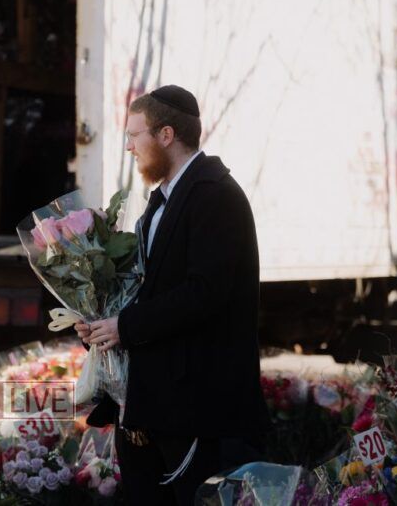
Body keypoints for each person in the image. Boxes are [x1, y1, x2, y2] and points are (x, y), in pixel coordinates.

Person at [75, 86, 269, 505]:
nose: (129, 147)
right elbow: (150, 287)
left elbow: (206, 293)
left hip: (197, 405)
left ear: (166, 135)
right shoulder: (166, 197)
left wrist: (125, 326)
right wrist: (102, 321)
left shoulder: (216, 195)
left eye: (134, 135)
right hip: (158, 403)